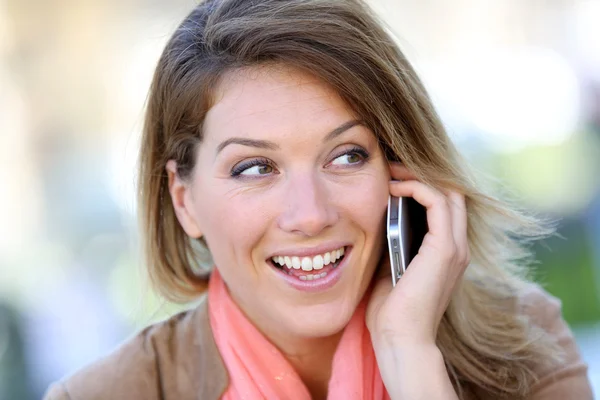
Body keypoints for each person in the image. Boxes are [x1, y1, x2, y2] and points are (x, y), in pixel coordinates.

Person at [44, 0, 594, 399]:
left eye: (347, 156)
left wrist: (411, 358)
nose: (310, 214)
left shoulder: (524, 343)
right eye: (255, 167)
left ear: (401, 168)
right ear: (185, 200)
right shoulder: (108, 394)